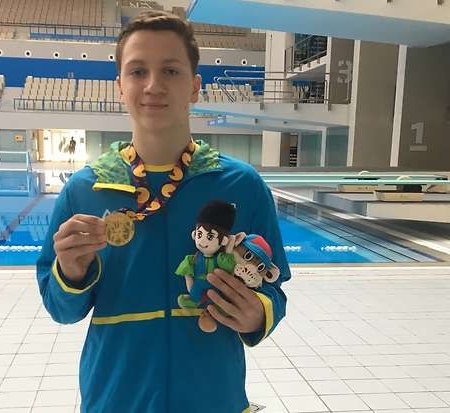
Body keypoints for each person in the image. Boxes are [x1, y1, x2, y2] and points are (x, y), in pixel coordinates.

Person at [36, 11, 290, 413]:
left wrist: (258, 313)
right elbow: (61, 309)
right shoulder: (85, 190)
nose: (153, 85)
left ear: (194, 87)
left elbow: (274, 288)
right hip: (117, 400)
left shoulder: (240, 186)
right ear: (120, 86)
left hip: (213, 399)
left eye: (170, 71)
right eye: (138, 71)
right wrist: (70, 272)